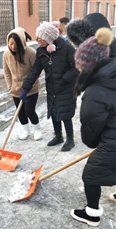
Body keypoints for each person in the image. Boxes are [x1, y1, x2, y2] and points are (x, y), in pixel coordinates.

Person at [67, 13, 116, 202]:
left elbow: (91, 122)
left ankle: (92, 213)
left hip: (111, 137)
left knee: (92, 174)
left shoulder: (97, 87)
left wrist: (96, 142)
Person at [20, 22, 79, 151]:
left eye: (40, 39)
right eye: (37, 38)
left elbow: (77, 67)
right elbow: (35, 70)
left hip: (66, 87)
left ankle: (70, 140)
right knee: (53, 112)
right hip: (51, 88)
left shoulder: (67, 47)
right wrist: (25, 88)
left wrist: (65, 78)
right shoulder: (41, 51)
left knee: (65, 114)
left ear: (49, 39)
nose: (37, 41)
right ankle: (58, 136)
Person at [3, 27, 42, 141]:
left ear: (21, 43)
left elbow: (36, 71)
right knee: (20, 112)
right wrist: (10, 86)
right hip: (16, 89)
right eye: (10, 44)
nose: (13, 47)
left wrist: (28, 86)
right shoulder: (6, 54)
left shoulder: (30, 53)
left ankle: (37, 129)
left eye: (15, 44)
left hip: (31, 89)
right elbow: (6, 71)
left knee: (29, 110)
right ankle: (26, 130)